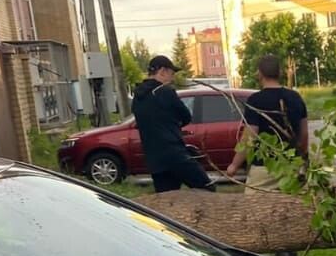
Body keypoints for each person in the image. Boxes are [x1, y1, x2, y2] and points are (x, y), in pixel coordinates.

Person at [225, 54, 309, 191]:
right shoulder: (295, 97)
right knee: (296, 207)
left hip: (264, 168)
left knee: (254, 208)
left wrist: (234, 165)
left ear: (259, 73)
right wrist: (303, 158)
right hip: (292, 166)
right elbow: (304, 134)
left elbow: (249, 137)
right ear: (280, 72)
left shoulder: (255, 101)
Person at [132, 54, 214, 193]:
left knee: (167, 199)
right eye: (171, 73)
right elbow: (186, 116)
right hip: (174, 153)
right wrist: (173, 125)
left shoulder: (137, 97)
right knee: (206, 188)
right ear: (162, 71)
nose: (172, 78)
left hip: (154, 158)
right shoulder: (165, 92)